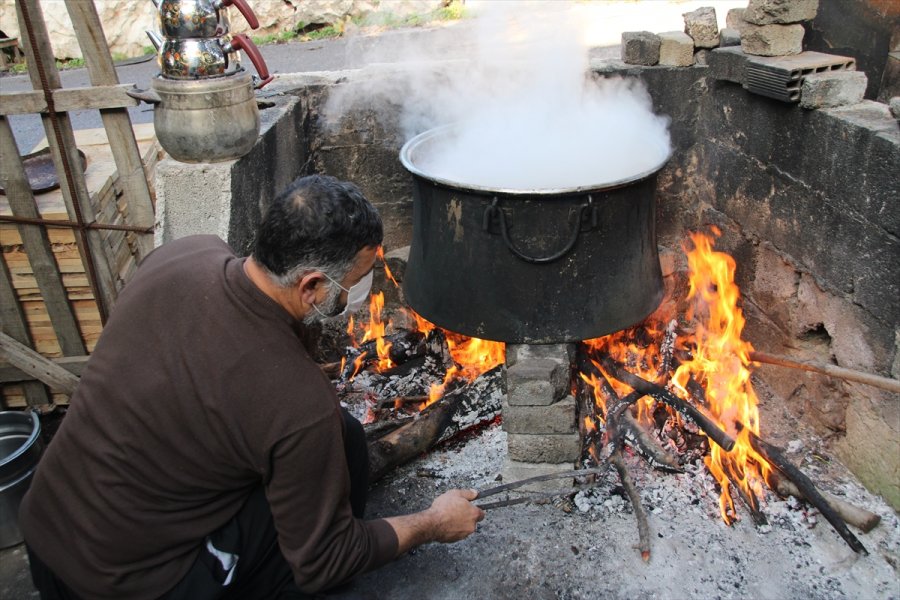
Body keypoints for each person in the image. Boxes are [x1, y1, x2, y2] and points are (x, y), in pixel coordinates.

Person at [19, 174, 485, 599]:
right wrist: (434, 523)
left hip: (47, 524)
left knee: (344, 435)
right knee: (320, 563)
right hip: (125, 583)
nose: (359, 291)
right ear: (312, 287)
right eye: (357, 281)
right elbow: (323, 561)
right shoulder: (296, 403)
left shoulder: (186, 254)